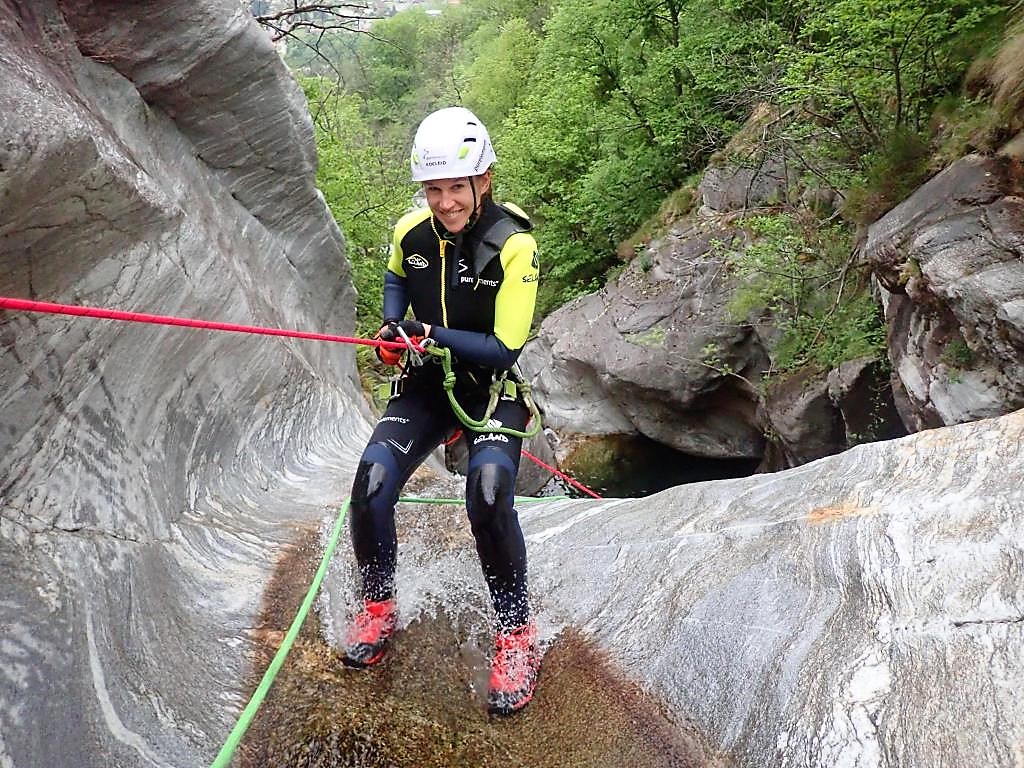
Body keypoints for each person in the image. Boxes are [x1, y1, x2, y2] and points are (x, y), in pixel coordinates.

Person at [342, 106, 542, 716]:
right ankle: (378, 605)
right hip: (428, 382)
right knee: (370, 486)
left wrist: (426, 332)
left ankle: (516, 635)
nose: (445, 202)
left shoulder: (514, 245)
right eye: (434, 189)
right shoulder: (412, 231)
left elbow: (504, 347)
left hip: (491, 387)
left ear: (484, 179)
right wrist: (391, 327)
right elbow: (396, 279)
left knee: (488, 494)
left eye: (457, 186)